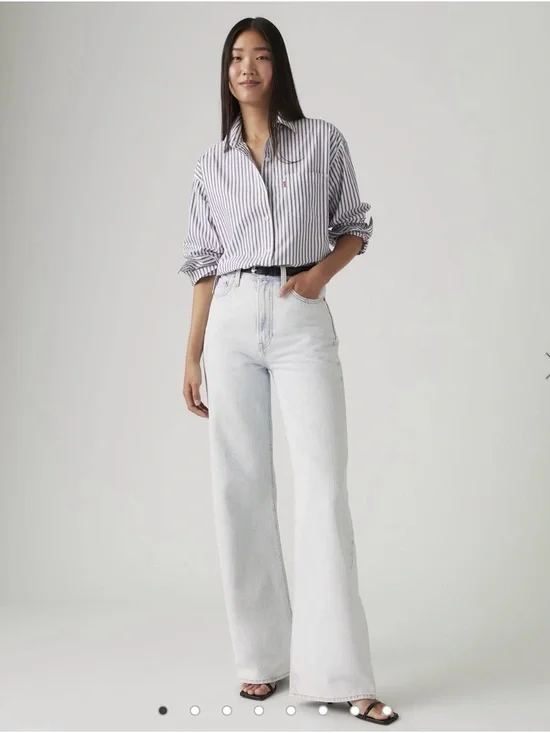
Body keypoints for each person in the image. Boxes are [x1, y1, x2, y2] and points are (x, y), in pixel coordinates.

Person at [179, 16, 399, 726]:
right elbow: (203, 265)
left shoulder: (322, 141)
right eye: (236, 57)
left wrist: (317, 277)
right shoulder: (211, 165)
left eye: (261, 55)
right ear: (226, 72)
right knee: (239, 487)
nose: (247, 67)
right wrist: (191, 352)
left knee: (322, 488)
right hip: (231, 319)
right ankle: (262, 659)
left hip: (300, 314)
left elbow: (356, 225)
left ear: (279, 68)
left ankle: (343, 674)